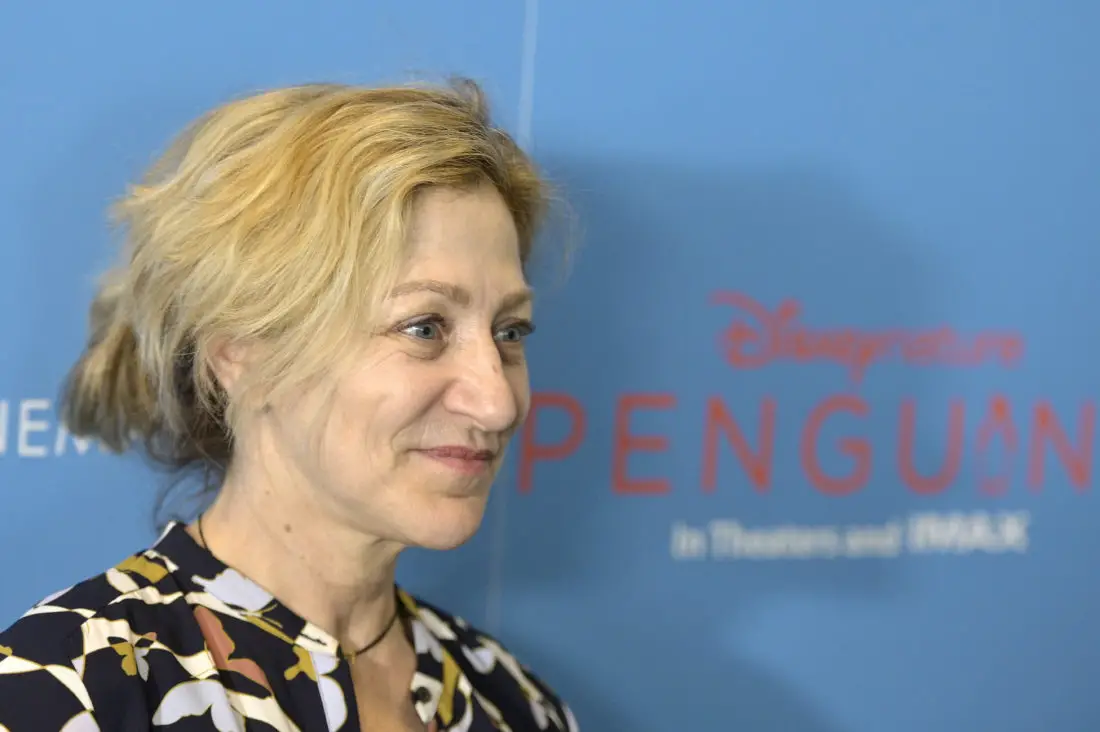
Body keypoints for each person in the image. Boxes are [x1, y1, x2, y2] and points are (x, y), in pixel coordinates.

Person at [0, 79, 579, 732]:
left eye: (510, 332)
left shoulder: (513, 703)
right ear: (240, 353)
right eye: (424, 328)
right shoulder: (69, 691)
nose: (497, 402)